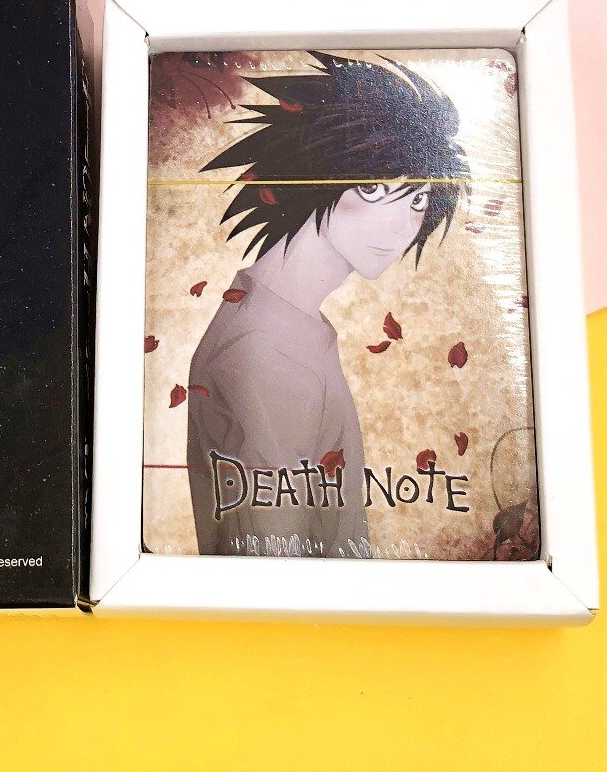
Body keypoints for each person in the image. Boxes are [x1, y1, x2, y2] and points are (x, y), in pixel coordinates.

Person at [186, 52, 469, 557]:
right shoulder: (266, 352)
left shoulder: (282, 325)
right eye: (372, 187)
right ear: (310, 172)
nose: (400, 224)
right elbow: (275, 562)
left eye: (418, 200)